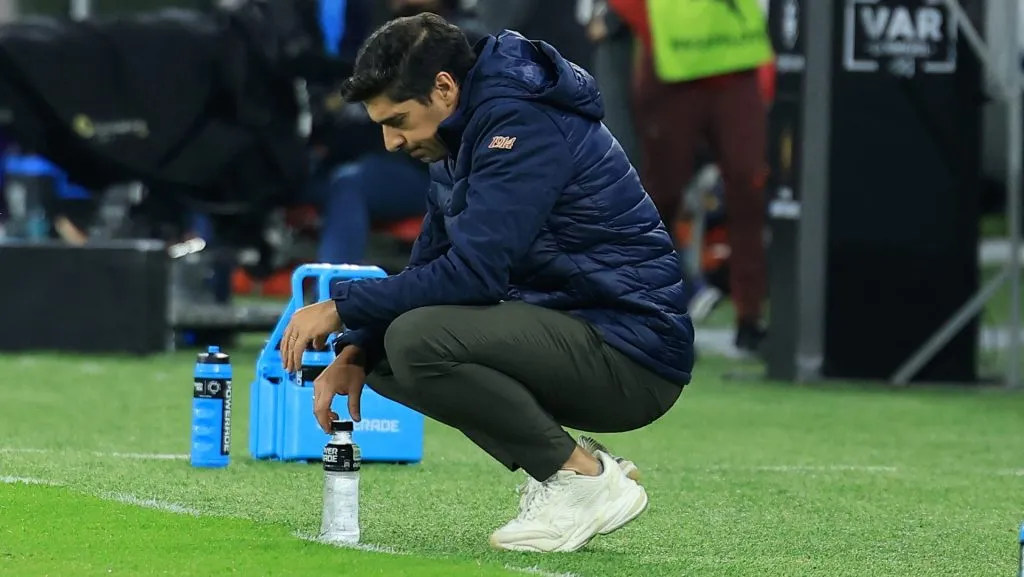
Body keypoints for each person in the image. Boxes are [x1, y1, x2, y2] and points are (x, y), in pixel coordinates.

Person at [279, 13, 694, 553]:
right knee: (380, 352)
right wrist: (356, 346)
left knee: (415, 339)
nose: (390, 142)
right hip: (575, 330)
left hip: (633, 353)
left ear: (444, 87)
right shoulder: (462, 133)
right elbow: (431, 262)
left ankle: (582, 480)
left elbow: (474, 275)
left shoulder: (519, 123)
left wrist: (342, 306)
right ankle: (574, 472)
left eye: (398, 119)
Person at [610, 0, 773, 354]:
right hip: (673, 72)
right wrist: (660, 32)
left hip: (736, 68)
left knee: (748, 188)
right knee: (661, 198)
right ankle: (652, 310)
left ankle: (750, 317)